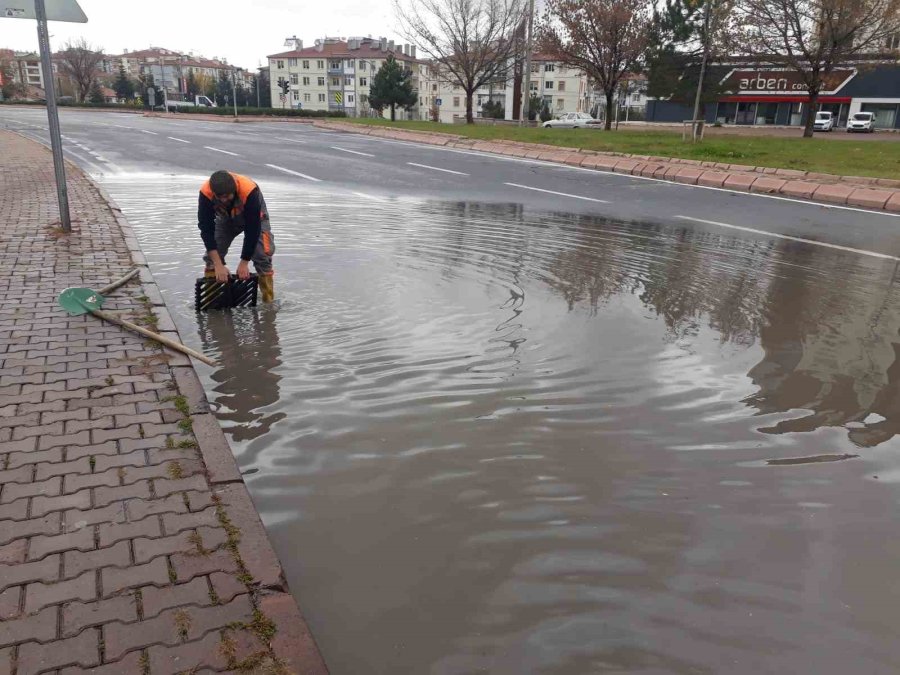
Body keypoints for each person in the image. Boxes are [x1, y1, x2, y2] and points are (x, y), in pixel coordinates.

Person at [198, 170, 275, 302]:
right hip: (225, 218)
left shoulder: (249, 190)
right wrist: (218, 264)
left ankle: (268, 304)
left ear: (234, 191)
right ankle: (211, 301)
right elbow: (206, 230)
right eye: (219, 197)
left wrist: (244, 262)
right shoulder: (206, 193)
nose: (223, 200)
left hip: (256, 219)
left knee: (262, 255)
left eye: (227, 196)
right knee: (212, 257)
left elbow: (253, 229)